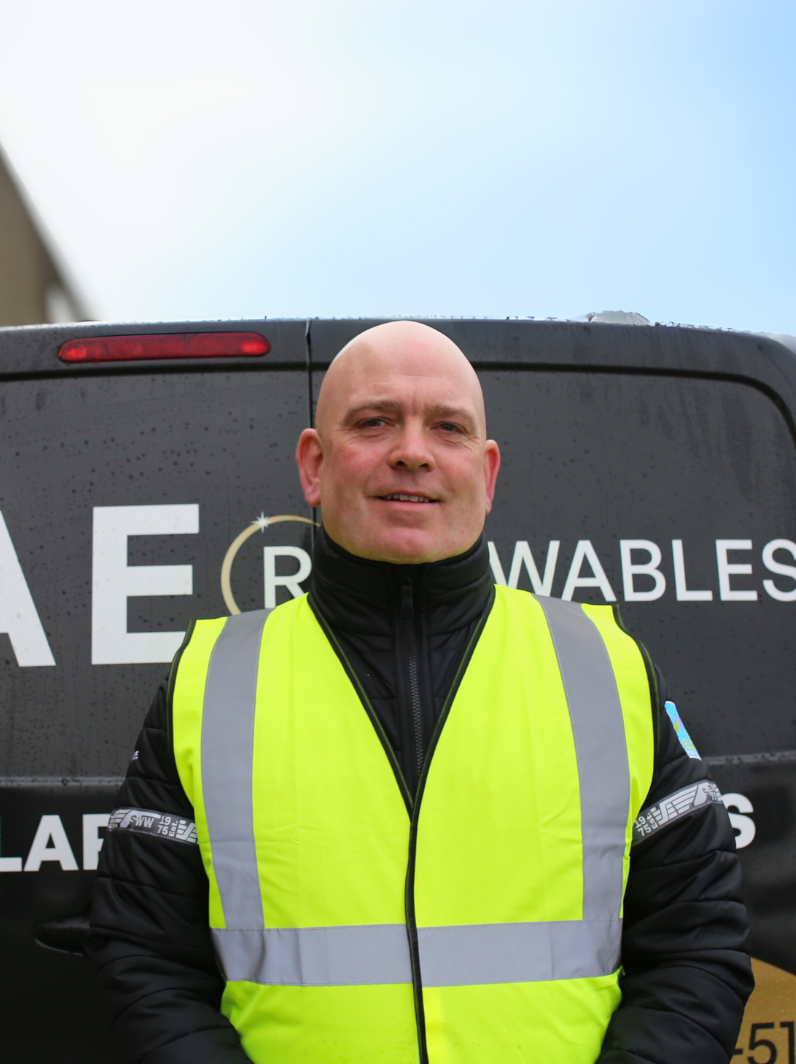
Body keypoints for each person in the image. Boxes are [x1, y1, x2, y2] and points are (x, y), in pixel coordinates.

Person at [88, 321, 753, 1063]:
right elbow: (143, 958)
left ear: (487, 474)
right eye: (375, 422)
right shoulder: (210, 680)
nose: (412, 451)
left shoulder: (607, 665)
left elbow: (699, 946)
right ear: (314, 466)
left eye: (448, 427)